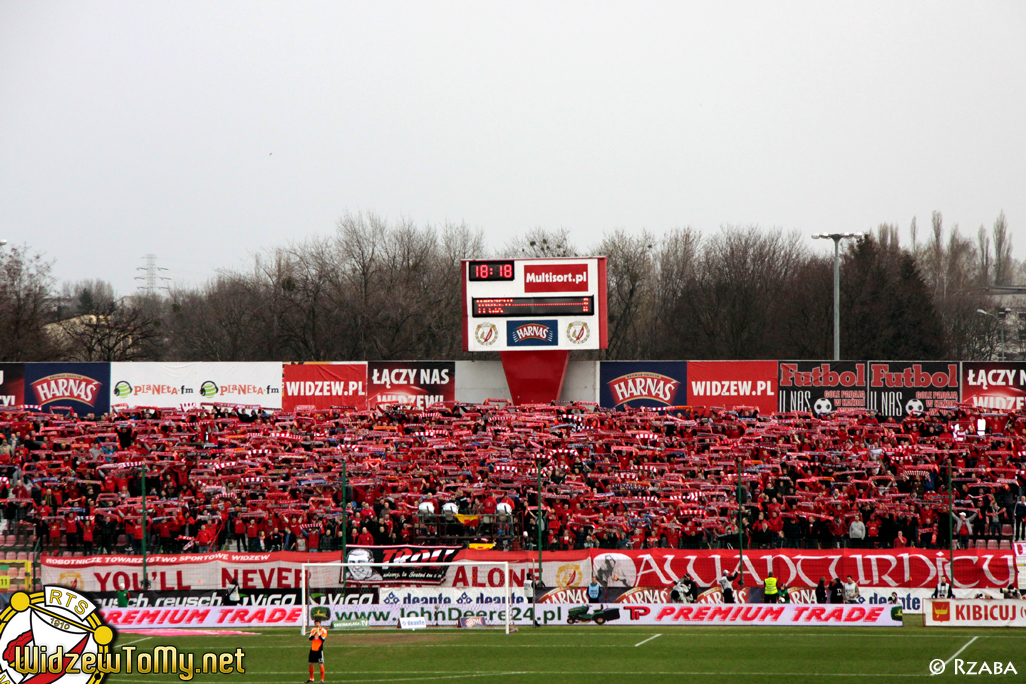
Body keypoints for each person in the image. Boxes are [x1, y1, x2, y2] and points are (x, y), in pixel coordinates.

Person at [307, 618, 327, 683]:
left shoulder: (324, 630)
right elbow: (310, 638)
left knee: (320, 664)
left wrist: (318, 634)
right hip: (313, 649)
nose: (316, 624)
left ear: (320, 623)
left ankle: (322, 679)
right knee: (310, 663)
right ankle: (311, 678)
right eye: (315, 623)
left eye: (317, 623)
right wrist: (314, 633)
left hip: (319, 649)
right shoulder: (313, 630)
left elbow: (323, 639)